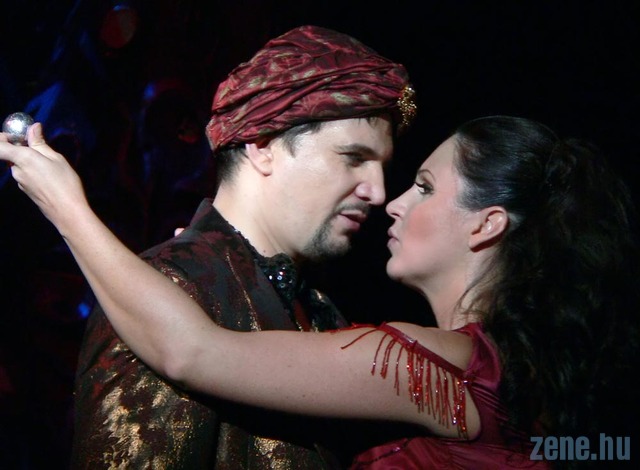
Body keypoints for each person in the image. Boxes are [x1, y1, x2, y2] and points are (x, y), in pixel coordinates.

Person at [4, 114, 639, 469]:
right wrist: (222, 272)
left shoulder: (428, 368)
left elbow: (191, 351)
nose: (390, 201)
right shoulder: (528, 388)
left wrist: (64, 205)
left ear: (486, 224)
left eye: (423, 187)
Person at [34, 25, 418, 469]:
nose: (378, 192)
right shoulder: (163, 292)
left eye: (382, 167)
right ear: (264, 146)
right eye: (354, 158)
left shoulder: (318, 307)